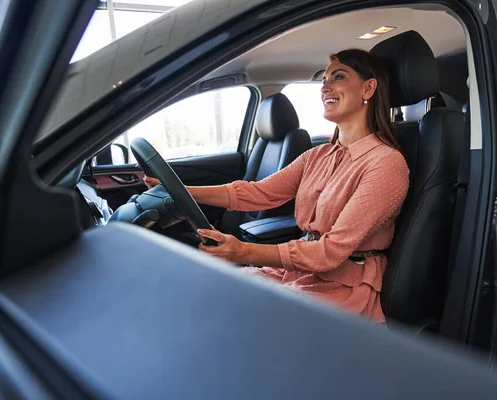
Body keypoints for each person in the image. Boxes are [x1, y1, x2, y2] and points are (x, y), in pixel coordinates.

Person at [144, 49, 409, 324]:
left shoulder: (386, 164)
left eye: (338, 78)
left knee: (231, 315)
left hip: (343, 287)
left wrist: (243, 252)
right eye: (323, 81)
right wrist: (177, 190)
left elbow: (329, 252)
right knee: (211, 290)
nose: (325, 88)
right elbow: (259, 193)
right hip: (300, 271)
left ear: (369, 87)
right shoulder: (318, 155)